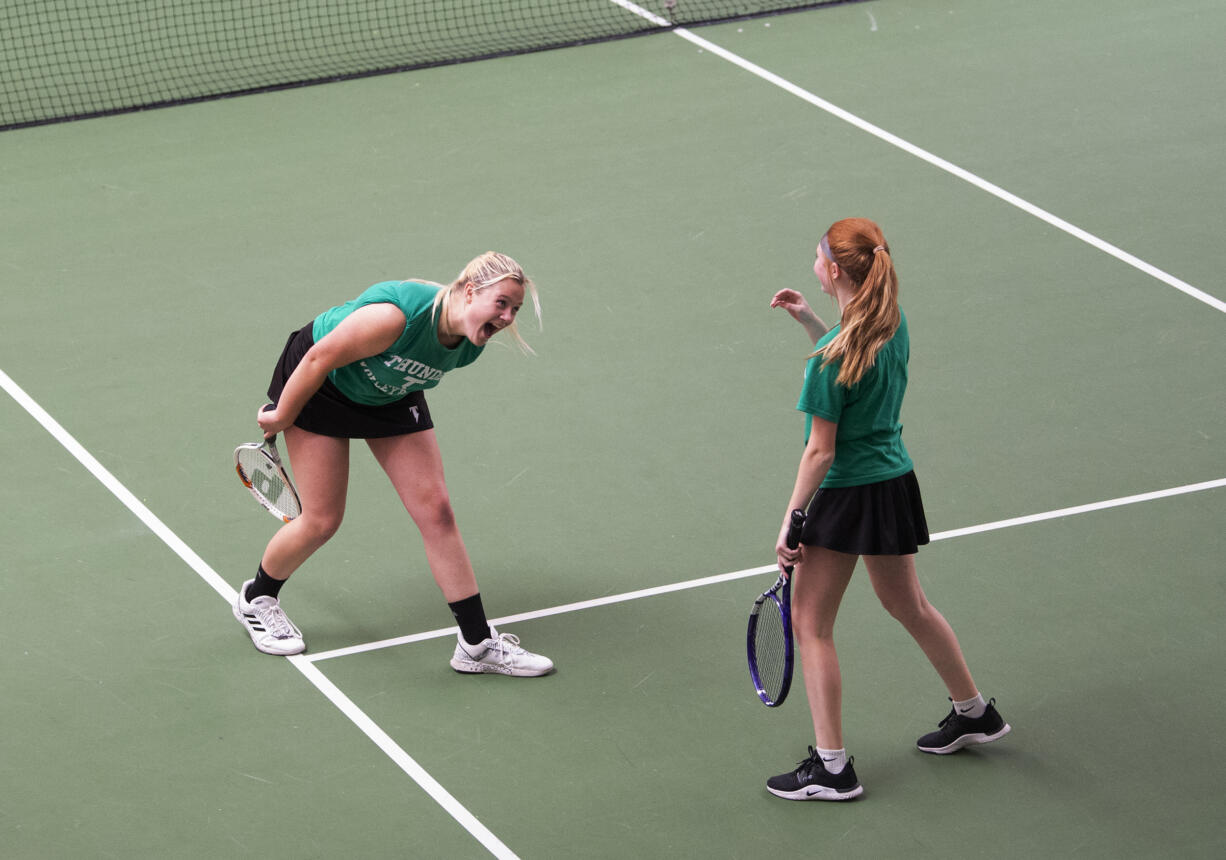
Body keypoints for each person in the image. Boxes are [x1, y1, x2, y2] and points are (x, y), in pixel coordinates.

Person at [765, 218, 1008, 800]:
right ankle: (974, 712)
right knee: (911, 605)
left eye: (818, 258)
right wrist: (810, 323)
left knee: (811, 625)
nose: (814, 265)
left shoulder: (829, 358)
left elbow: (821, 450)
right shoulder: (888, 324)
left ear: (833, 271)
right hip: (893, 483)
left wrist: (791, 518)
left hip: (846, 494)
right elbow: (851, 361)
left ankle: (831, 768)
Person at [232, 251, 553, 677]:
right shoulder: (393, 319)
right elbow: (317, 359)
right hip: (322, 383)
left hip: (390, 389)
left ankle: (476, 645)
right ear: (471, 290)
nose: (509, 317)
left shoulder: (469, 341)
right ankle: (257, 597)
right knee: (322, 521)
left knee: (436, 511)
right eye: (502, 303)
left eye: (515, 308)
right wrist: (282, 415)